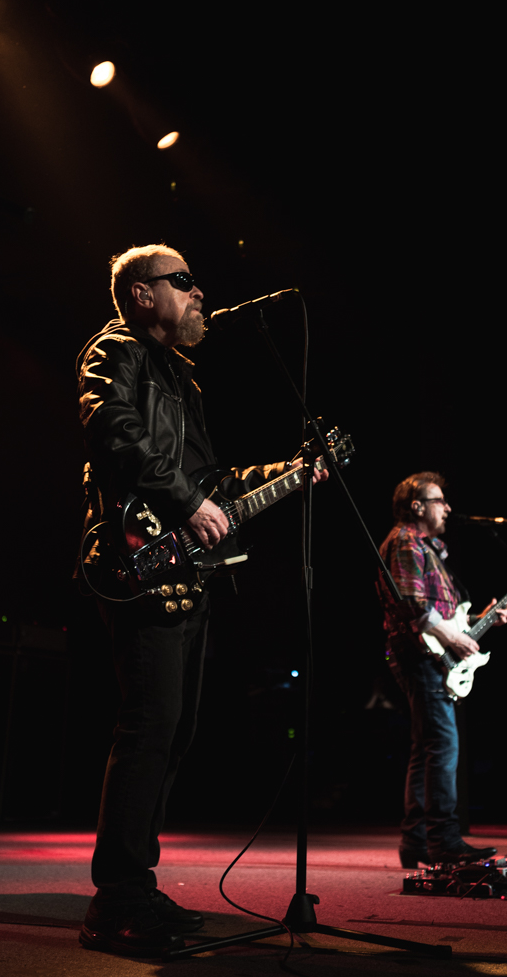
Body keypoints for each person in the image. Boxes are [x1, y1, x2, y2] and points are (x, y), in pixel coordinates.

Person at [76, 244, 326, 957]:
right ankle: (115, 900)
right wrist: (185, 502)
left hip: (186, 571)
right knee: (148, 728)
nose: (198, 294)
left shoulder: (182, 377)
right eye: (183, 282)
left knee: (173, 733)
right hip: (135, 558)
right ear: (142, 293)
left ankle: (137, 887)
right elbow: (114, 434)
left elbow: (213, 479)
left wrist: (292, 472)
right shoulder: (113, 349)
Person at [377, 471, 507, 868]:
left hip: (429, 654)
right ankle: (444, 841)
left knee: (427, 749)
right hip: (421, 655)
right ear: (417, 506)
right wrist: (454, 639)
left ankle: (417, 842)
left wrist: (481, 622)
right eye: (440, 501)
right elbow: (415, 607)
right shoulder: (404, 542)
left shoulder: (429, 547)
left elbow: (443, 615)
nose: (448, 508)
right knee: (442, 748)